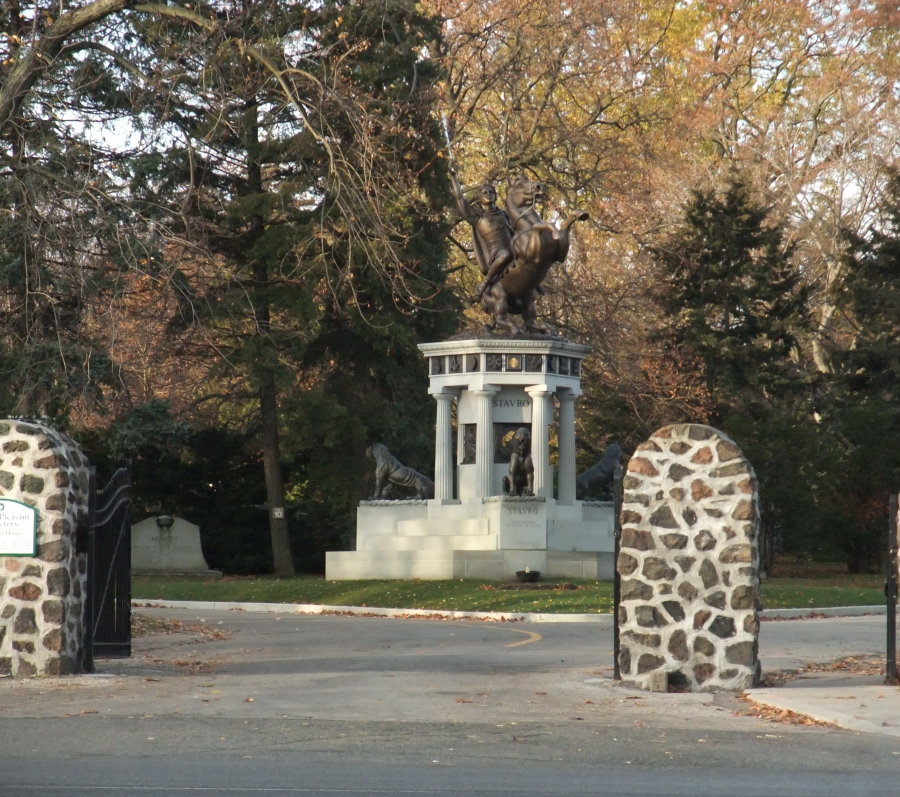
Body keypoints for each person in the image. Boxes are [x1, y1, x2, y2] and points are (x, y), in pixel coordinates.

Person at [449, 166, 515, 298]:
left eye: (491, 192)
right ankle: (485, 283)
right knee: (505, 255)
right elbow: (460, 199)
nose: (489, 194)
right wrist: (454, 177)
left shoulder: (503, 214)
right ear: (478, 197)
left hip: (513, 247)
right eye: (485, 193)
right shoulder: (477, 217)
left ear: (496, 196)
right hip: (497, 253)